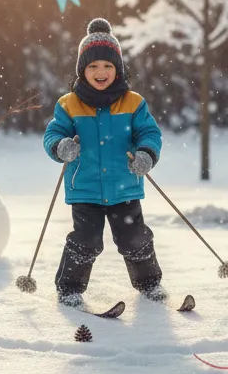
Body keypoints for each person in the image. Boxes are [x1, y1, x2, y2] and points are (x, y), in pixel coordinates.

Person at [42, 18, 164, 306]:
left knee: (134, 238)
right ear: (82, 70)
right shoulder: (68, 104)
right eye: (93, 66)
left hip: (124, 185)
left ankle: (149, 284)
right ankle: (69, 289)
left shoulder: (133, 102)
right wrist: (61, 146)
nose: (101, 72)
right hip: (85, 188)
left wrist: (146, 153)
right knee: (86, 240)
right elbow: (53, 133)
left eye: (108, 65)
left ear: (118, 68)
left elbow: (149, 132)